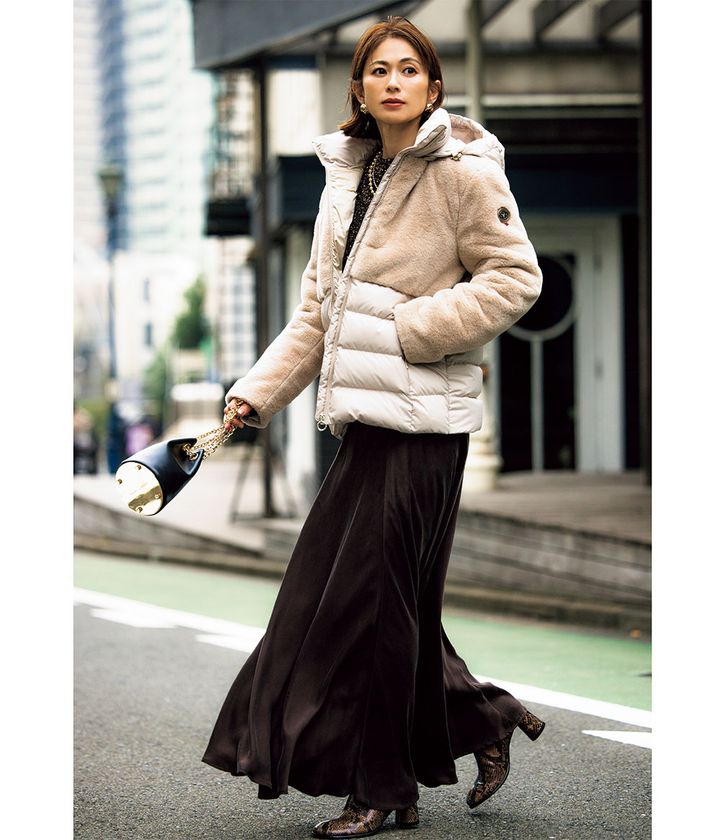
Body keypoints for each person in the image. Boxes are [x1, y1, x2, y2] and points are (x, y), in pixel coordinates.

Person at [202, 16, 546, 838]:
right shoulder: (346, 178)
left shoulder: (463, 172)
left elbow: (515, 278)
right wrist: (256, 395)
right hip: (366, 424)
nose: (394, 82)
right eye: (379, 70)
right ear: (358, 87)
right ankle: (478, 717)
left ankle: (385, 787)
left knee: (370, 608)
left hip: (426, 427)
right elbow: (317, 313)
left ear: (433, 86)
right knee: (360, 600)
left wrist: (411, 329)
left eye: (410, 69)